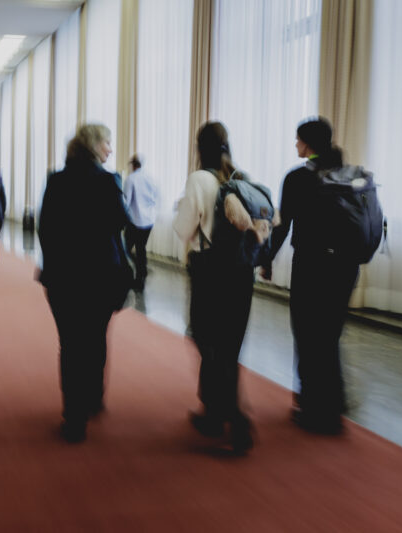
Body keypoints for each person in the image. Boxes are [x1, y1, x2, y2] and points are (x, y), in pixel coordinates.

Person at [261, 117, 358, 435]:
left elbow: (282, 223)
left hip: (313, 265)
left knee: (307, 334)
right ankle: (333, 404)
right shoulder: (347, 173)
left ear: (307, 144)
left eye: (297, 140)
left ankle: (314, 408)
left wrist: (267, 258)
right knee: (329, 335)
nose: (295, 145)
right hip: (345, 267)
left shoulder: (298, 177)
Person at [38, 124, 130, 443]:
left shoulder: (56, 181)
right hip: (102, 276)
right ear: (93, 145)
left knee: (71, 344)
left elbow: (45, 228)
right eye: (107, 142)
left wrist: (55, 263)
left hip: (64, 277)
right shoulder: (108, 181)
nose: (110, 149)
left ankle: (74, 417)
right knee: (96, 337)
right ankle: (94, 397)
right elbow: (121, 222)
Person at [173, 121, 256, 454]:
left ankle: (236, 421)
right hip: (241, 272)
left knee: (207, 341)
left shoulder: (199, 179)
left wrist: (183, 209)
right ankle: (213, 414)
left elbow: (183, 229)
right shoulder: (240, 178)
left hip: (210, 271)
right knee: (229, 346)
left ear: (199, 147)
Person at [123, 154, 159, 291]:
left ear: (133, 165)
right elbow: (156, 197)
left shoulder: (131, 179)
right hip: (149, 220)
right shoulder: (150, 178)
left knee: (125, 248)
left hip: (136, 221)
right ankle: (142, 273)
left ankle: (136, 279)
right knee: (141, 249)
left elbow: (126, 201)